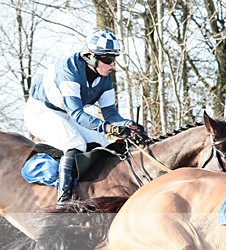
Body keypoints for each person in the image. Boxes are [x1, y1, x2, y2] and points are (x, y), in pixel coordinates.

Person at [24, 29, 142, 206]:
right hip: (41, 111)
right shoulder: (69, 70)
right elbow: (77, 114)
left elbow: (111, 114)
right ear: (91, 57)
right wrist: (109, 128)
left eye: (114, 59)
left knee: (103, 144)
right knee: (75, 143)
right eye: (108, 59)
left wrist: (128, 124)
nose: (112, 65)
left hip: (68, 114)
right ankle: (64, 203)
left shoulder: (105, 78)